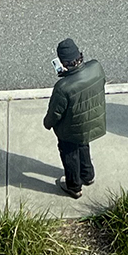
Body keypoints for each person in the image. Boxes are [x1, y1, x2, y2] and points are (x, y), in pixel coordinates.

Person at [43, 38, 107, 199]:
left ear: (63, 63)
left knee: (69, 154)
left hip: (69, 130)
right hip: (91, 121)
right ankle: (88, 175)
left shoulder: (63, 87)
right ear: (79, 55)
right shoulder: (96, 67)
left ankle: (74, 187)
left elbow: (55, 113)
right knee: (83, 144)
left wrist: (47, 124)